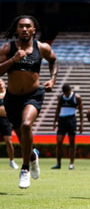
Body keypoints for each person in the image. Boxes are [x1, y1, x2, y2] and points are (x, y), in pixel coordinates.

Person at [0, 15, 58, 189]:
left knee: (26, 125)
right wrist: (13, 60)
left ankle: (24, 169)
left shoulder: (42, 48)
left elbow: (53, 61)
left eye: (28, 26)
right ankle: (32, 156)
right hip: (12, 98)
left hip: (34, 95)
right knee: (21, 135)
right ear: (16, 29)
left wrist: (53, 79)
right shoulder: (7, 48)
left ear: (34, 30)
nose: (24, 29)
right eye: (21, 26)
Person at [51, 83, 83, 170]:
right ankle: (58, 163)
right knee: (59, 142)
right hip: (62, 120)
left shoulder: (77, 97)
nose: (66, 94)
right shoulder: (61, 97)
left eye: (67, 93)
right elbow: (58, 109)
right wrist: (55, 121)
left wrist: (81, 124)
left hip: (71, 120)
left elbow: (80, 111)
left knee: (72, 142)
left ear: (70, 90)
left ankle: (71, 163)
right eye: (65, 93)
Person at [0, 79, 17, 170]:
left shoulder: (9, 94)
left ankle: (12, 161)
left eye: (1, 82)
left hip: (6, 119)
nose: (0, 84)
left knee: (8, 141)